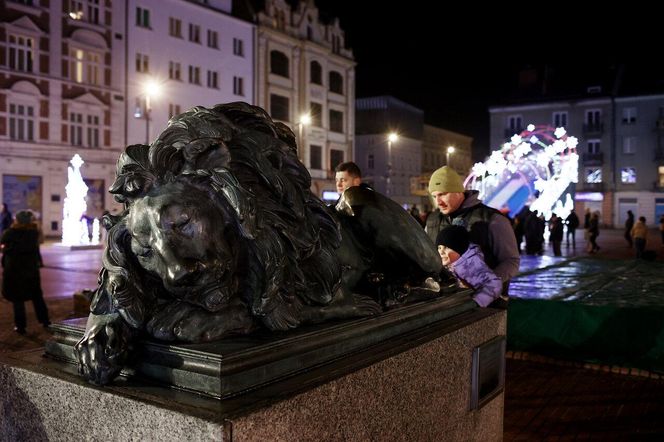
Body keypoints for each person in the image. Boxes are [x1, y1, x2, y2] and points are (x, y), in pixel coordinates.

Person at [425, 166, 519, 307]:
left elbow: (511, 261)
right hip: (445, 301)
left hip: (487, 305)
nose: (438, 202)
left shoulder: (492, 219)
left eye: (443, 194)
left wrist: (483, 284)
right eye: (434, 196)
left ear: (459, 191)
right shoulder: (432, 220)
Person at [1, 210, 50, 334]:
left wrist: (7, 249)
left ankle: (20, 326)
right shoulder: (33, 233)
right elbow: (36, 250)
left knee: (18, 299)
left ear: (17, 220)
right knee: (37, 296)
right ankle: (45, 321)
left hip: (14, 270)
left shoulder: (10, 233)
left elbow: (3, 246)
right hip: (30, 270)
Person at [436, 225, 502, 308]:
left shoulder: (471, 264)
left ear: (459, 248)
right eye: (439, 247)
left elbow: (495, 284)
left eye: (446, 247)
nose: (441, 252)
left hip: (483, 307)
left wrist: (476, 302)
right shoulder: (450, 263)